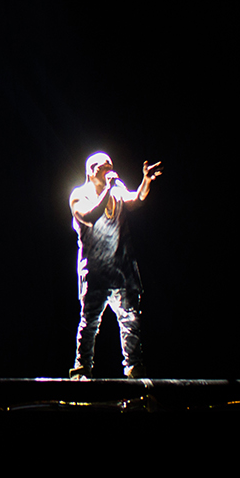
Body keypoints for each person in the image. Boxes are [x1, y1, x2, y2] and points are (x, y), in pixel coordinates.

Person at [68, 152, 160, 379]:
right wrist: (108, 190)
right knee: (90, 322)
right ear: (91, 170)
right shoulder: (79, 195)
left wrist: (145, 181)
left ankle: (135, 373)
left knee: (130, 320)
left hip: (122, 272)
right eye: (104, 165)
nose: (109, 167)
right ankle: (82, 373)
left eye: (111, 164)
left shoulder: (117, 192)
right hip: (96, 273)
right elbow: (89, 216)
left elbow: (136, 200)